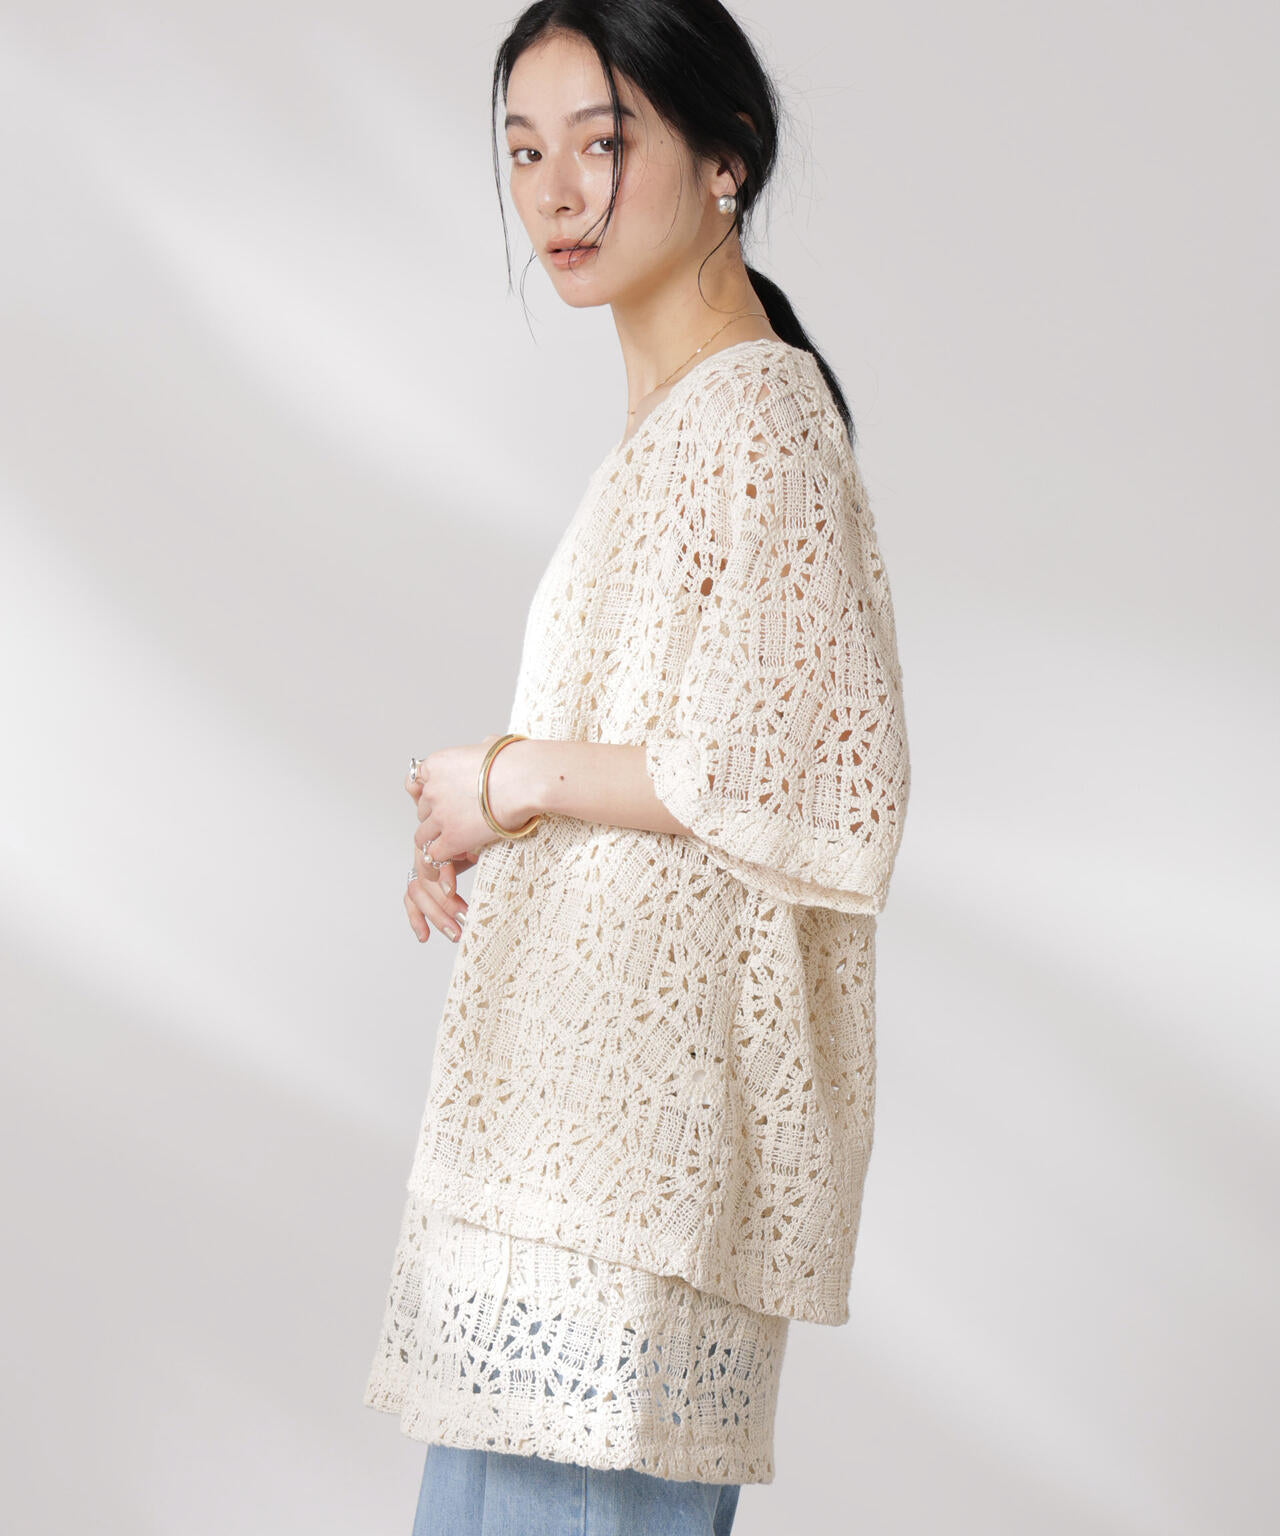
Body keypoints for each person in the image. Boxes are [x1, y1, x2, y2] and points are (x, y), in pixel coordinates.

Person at [362, 3, 912, 1532]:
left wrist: (509, 779)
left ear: (725, 156)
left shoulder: (758, 418)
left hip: (633, 1175)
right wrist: (494, 812)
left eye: (601, 144)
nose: (555, 193)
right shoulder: (675, 427)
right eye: (523, 151)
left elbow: (800, 775)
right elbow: (689, 749)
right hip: (565, 1156)